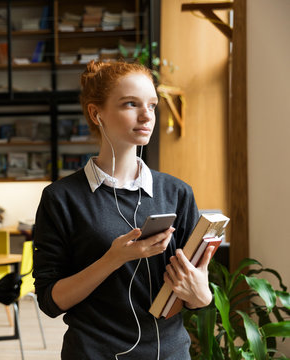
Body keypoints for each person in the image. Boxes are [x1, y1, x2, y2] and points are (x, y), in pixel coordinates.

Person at [33, 61, 214, 360]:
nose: (146, 116)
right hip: (93, 353)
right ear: (96, 113)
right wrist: (114, 259)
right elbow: (50, 301)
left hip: (169, 353)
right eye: (131, 104)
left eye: (152, 105)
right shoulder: (61, 198)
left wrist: (201, 293)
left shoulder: (177, 193)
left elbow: (197, 296)